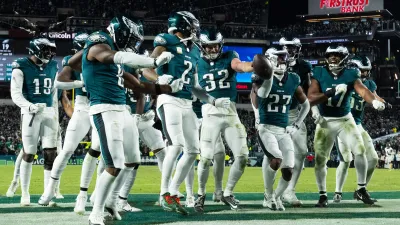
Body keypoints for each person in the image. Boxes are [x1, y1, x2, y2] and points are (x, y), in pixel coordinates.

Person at [64, 16, 182, 225]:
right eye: (132, 39)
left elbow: (138, 86)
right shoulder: (100, 42)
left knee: (132, 159)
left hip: (122, 110)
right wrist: (152, 62)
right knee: (114, 164)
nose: (133, 45)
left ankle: (110, 202)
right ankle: (96, 212)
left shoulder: (110, 60)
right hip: (104, 108)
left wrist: (169, 88)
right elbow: (111, 56)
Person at [308, 46, 385, 207]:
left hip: (345, 119)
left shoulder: (351, 74)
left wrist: (374, 101)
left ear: (344, 57)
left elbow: (363, 90)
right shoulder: (319, 72)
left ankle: (361, 188)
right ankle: (323, 195)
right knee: (321, 159)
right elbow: (311, 98)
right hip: (325, 120)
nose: (333, 58)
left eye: (337, 55)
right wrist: (331, 92)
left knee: (360, 151)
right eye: (330, 55)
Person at [194, 28, 253, 212]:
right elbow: (194, 89)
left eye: (215, 47)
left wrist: (253, 66)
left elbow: (240, 65)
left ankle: (227, 192)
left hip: (230, 112)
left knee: (242, 156)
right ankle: (200, 194)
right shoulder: (196, 62)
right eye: (208, 47)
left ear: (221, 46)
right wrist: (211, 100)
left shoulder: (229, 56)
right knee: (205, 158)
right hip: (210, 113)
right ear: (202, 47)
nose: (212, 50)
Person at [257, 47, 309, 211]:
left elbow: (306, 105)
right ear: (269, 60)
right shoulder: (261, 78)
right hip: (266, 128)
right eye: (278, 58)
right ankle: (268, 194)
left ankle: (277, 197)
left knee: (289, 170)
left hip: (283, 129)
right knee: (276, 159)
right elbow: (263, 95)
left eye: (283, 58)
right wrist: (269, 75)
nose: (282, 60)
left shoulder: (293, 78)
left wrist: (296, 124)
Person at [333, 55, 389, 203]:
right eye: (362, 71)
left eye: (367, 71)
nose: (365, 74)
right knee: (345, 160)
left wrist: (384, 103)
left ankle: (361, 189)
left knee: (374, 158)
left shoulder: (369, 84)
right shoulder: (345, 80)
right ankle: (337, 191)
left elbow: (375, 97)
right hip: (342, 124)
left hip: (357, 125)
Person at [10, 38, 58, 206]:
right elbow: (15, 94)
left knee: (51, 153)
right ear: (36, 50)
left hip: (48, 112)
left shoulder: (52, 66)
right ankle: (25, 193)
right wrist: (30, 107)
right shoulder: (21, 65)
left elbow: (53, 92)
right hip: (31, 113)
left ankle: (48, 193)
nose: (50, 54)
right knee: (29, 153)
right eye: (47, 50)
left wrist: (53, 111)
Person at [279, 37, 312, 207]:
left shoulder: (304, 67)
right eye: (286, 47)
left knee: (301, 151)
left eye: (292, 48)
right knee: (273, 154)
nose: (290, 51)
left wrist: (311, 109)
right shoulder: (272, 62)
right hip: (274, 113)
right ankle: (270, 192)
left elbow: (307, 93)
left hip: (293, 112)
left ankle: (289, 190)